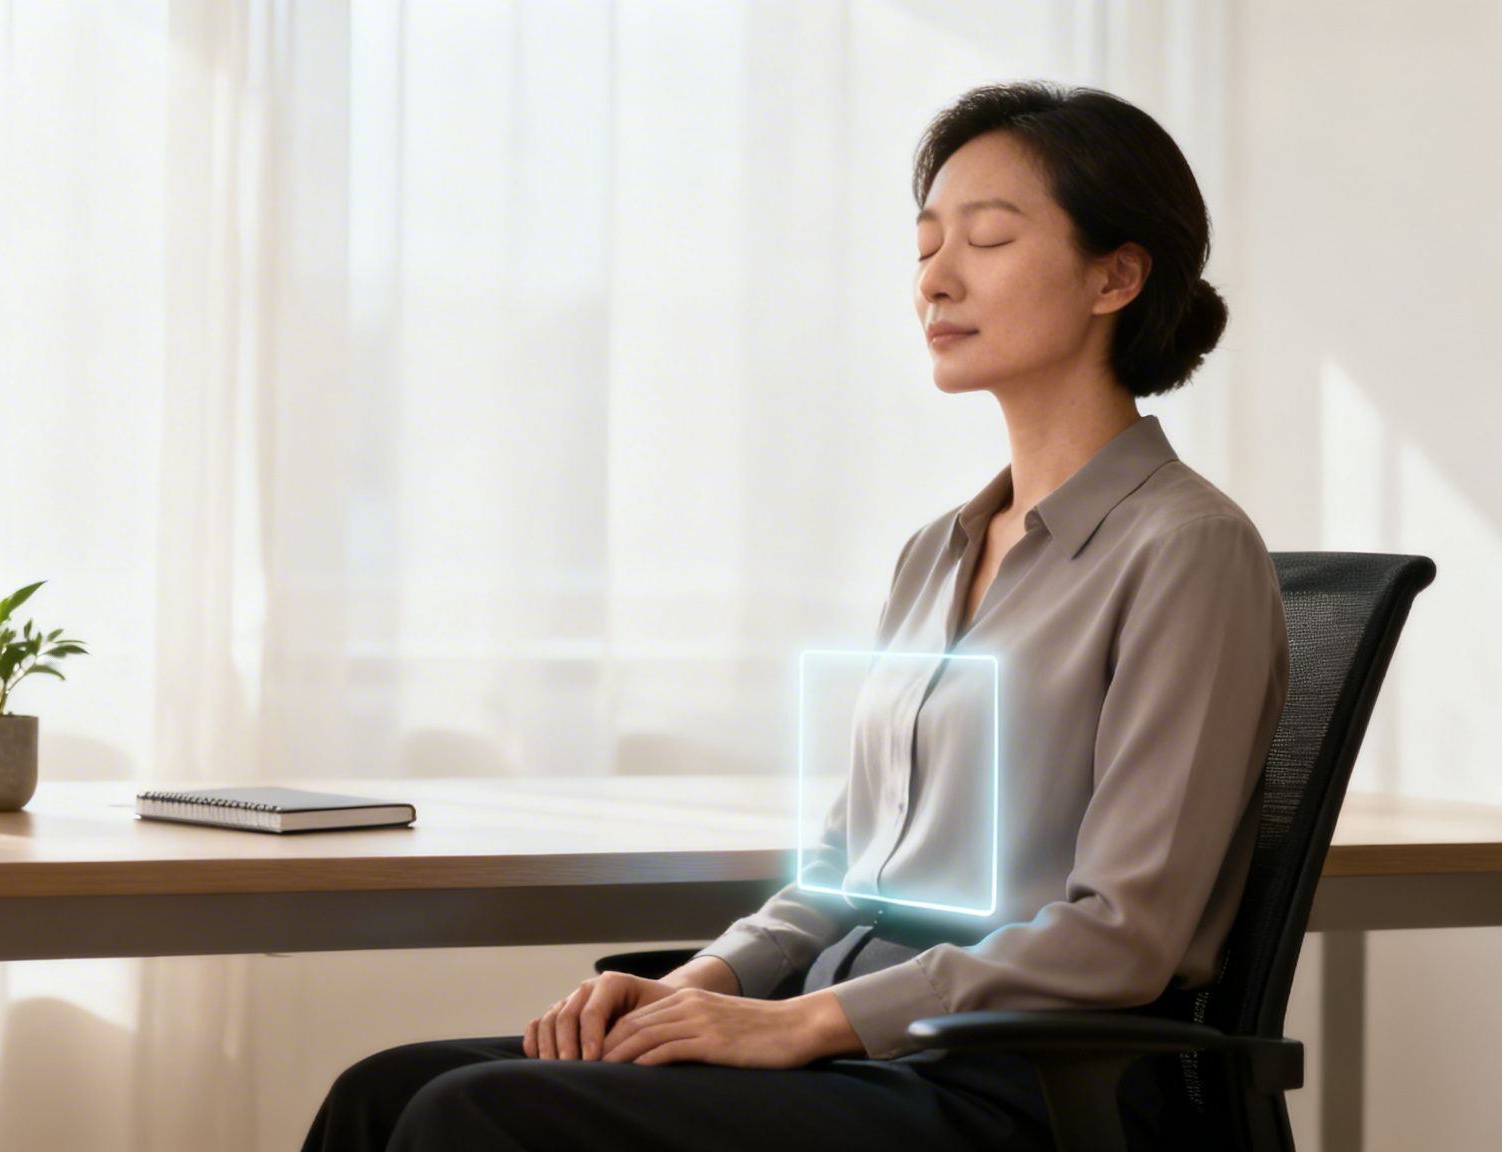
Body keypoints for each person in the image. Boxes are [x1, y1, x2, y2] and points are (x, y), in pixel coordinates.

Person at [303, 80, 1288, 1152]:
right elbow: (841, 873)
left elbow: (1123, 936)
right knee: (382, 1092)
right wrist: (701, 983)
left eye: (987, 239)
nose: (935, 279)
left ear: (1117, 273)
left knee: (472, 1116)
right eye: (923, 248)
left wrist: (802, 1022)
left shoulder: (1185, 549)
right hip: (849, 1044)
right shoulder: (937, 553)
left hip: (1005, 1079)